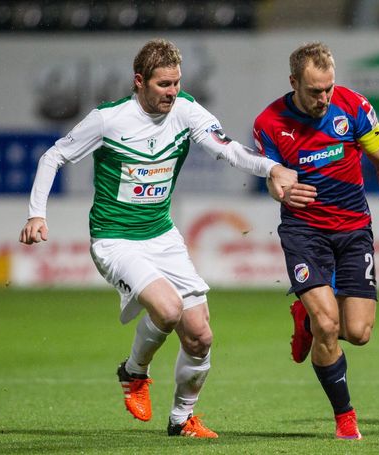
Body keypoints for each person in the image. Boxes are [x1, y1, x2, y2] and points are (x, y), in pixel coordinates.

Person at [19, 39, 296, 438]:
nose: (172, 92)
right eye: (164, 84)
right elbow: (53, 157)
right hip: (114, 239)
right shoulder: (108, 119)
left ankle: (182, 419)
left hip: (162, 236)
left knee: (200, 335)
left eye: (177, 83)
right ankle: (134, 372)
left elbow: (228, 150)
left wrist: (272, 168)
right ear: (139, 81)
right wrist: (36, 214)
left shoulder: (185, 111)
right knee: (167, 311)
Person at [253, 42, 379, 439]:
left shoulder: (354, 107)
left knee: (357, 332)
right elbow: (273, 179)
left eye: (328, 88)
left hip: (354, 228)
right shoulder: (269, 122)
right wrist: (282, 192)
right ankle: (345, 418)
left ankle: (306, 319)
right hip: (304, 232)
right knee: (329, 324)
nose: (324, 98)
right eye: (314, 91)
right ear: (294, 82)